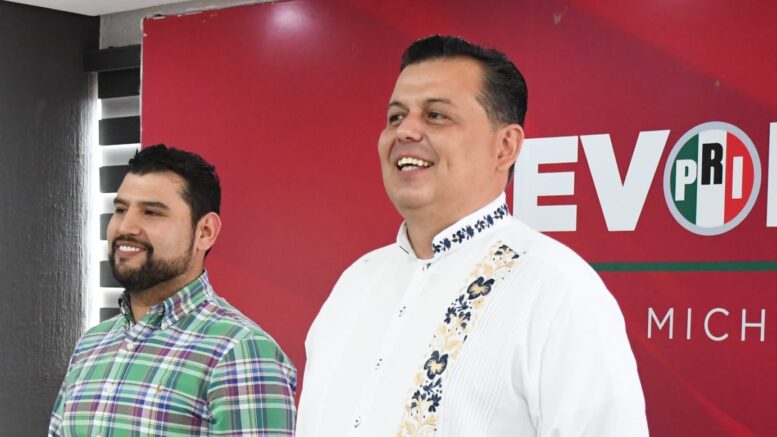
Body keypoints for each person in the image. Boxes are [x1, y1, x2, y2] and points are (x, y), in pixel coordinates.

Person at [296, 35, 648, 436]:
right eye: (395, 117)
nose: (405, 131)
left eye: (435, 115)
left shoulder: (555, 289)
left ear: (505, 147)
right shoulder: (356, 283)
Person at [49, 145, 297, 436]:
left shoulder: (241, 352)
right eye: (121, 209)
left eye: (151, 212)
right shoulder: (92, 345)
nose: (126, 227)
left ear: (205, 232)